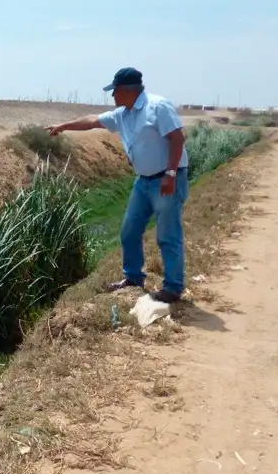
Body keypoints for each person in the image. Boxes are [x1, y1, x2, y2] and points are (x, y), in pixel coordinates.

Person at [46, 67, 189, 303]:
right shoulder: (124, 114)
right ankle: (133, 278)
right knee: (129, 231)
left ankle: (172, 288)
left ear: (126, 90)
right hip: (143, 182)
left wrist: (171, 174)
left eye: (114, 91)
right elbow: (92, 121)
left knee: (167, 235)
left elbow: (178, 137)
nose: (112, 96)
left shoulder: (158, 106)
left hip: (166, 179)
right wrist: (63, 126)